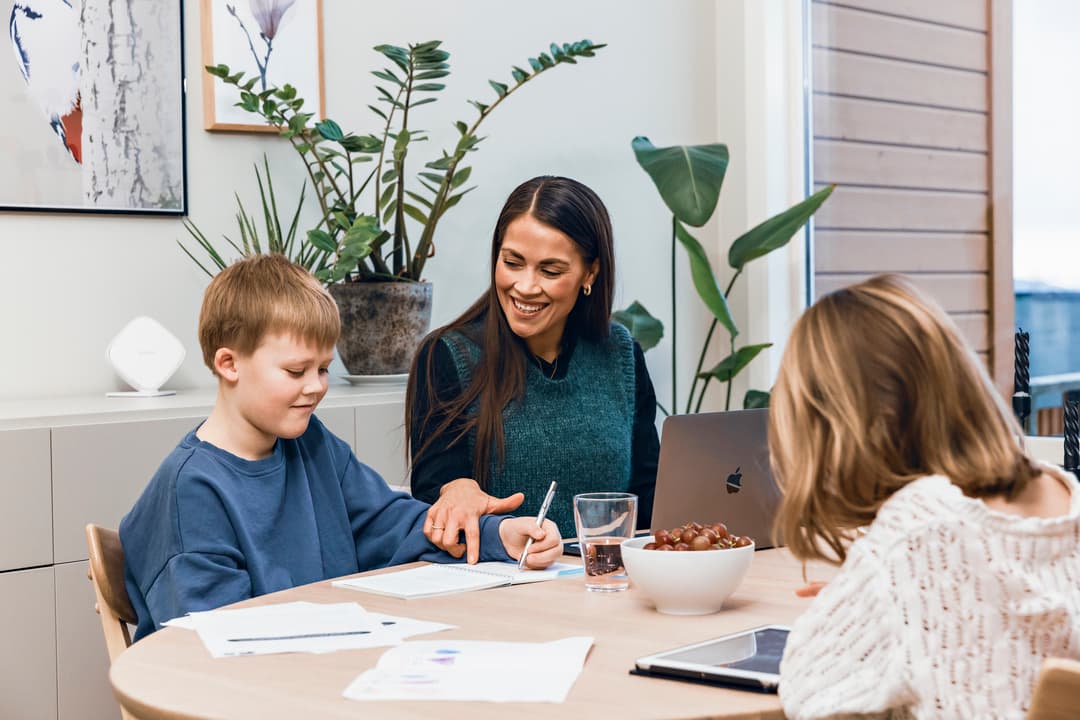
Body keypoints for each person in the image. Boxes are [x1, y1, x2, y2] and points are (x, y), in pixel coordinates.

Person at [120, 254, 561, 640]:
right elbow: (214, 640)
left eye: (324, 369)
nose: (315, 388)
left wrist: (499, 535)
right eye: (296, 371)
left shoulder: (312, 444)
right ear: (229, 363)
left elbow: (394, 524)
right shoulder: (192, 490)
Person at [770, 274, 1080, 719]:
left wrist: (871, 589)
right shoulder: (1063, 493)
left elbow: (807, 687)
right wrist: (876, 587)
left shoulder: (916, 532)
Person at [406, 176, 659, 561]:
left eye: (551, 271)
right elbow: (435, 492)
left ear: (590, 274)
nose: (525, 286)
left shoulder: (620, 354)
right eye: (512, 263)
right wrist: (457, 490)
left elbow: (651, 493)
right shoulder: (447, 355)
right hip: (504, 586)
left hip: (610, 581)